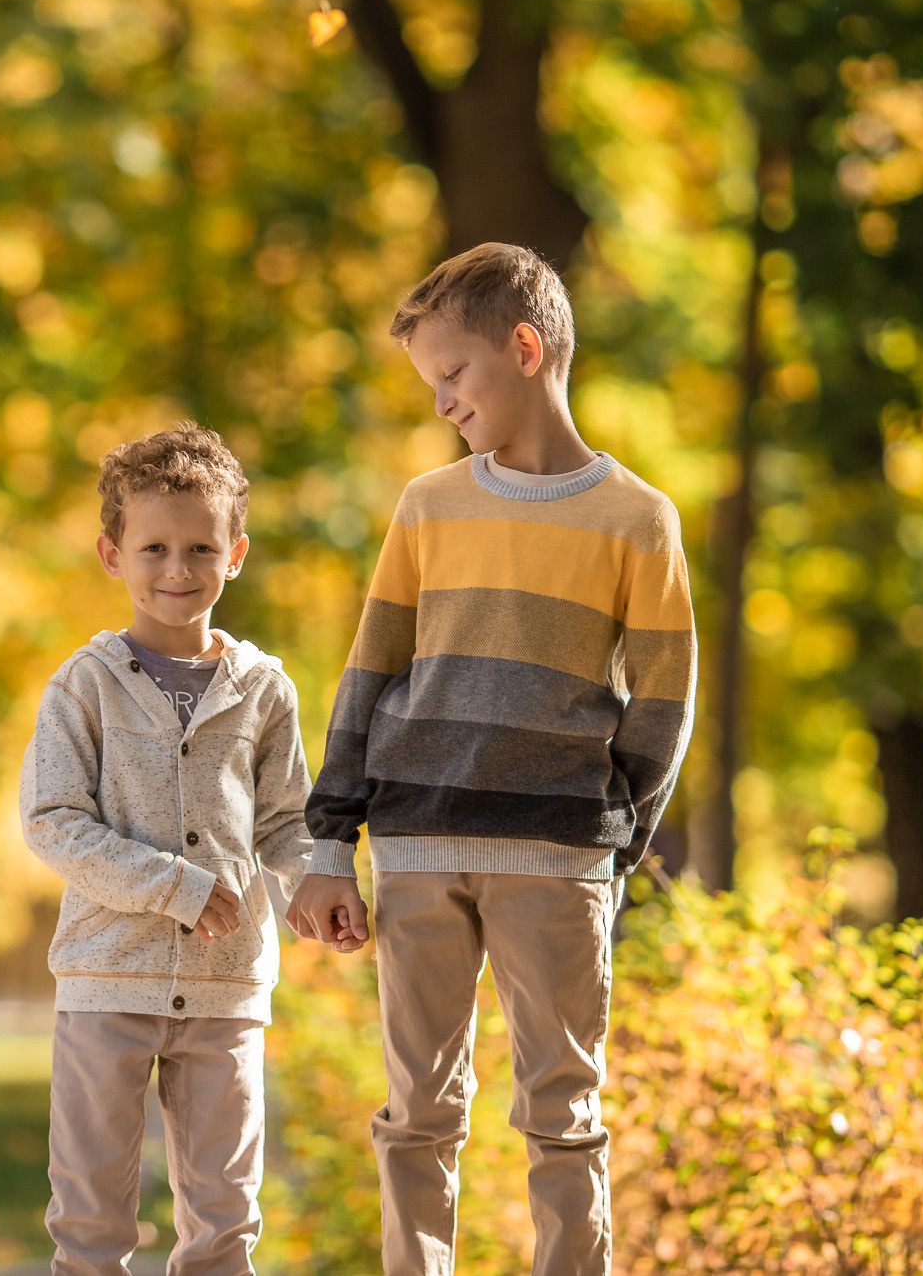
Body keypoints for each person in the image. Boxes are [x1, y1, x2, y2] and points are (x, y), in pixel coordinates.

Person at [285, 243, 698, 1275]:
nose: (440, 403)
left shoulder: (638, 520)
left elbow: (664, 701)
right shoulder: (428, 505)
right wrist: (331, 846)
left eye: (451, 374)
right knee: (416, 1111)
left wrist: (614, 840)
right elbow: (369, 672)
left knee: (563, 1111)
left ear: (523, 347)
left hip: (555, 859)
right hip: (416, 846)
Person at [21, 424, 315, 1276]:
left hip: (227, 987)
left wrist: (315, 882)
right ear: (113, 555)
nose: (178, 568)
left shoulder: (264, 689)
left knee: (225, 1221)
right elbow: (52, 820)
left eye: (201, 548)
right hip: (106, 978)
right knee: (90, 1218)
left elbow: (286, 820)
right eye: (154, 547)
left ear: (236, 555)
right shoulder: (84, 685)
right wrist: (173, 885)